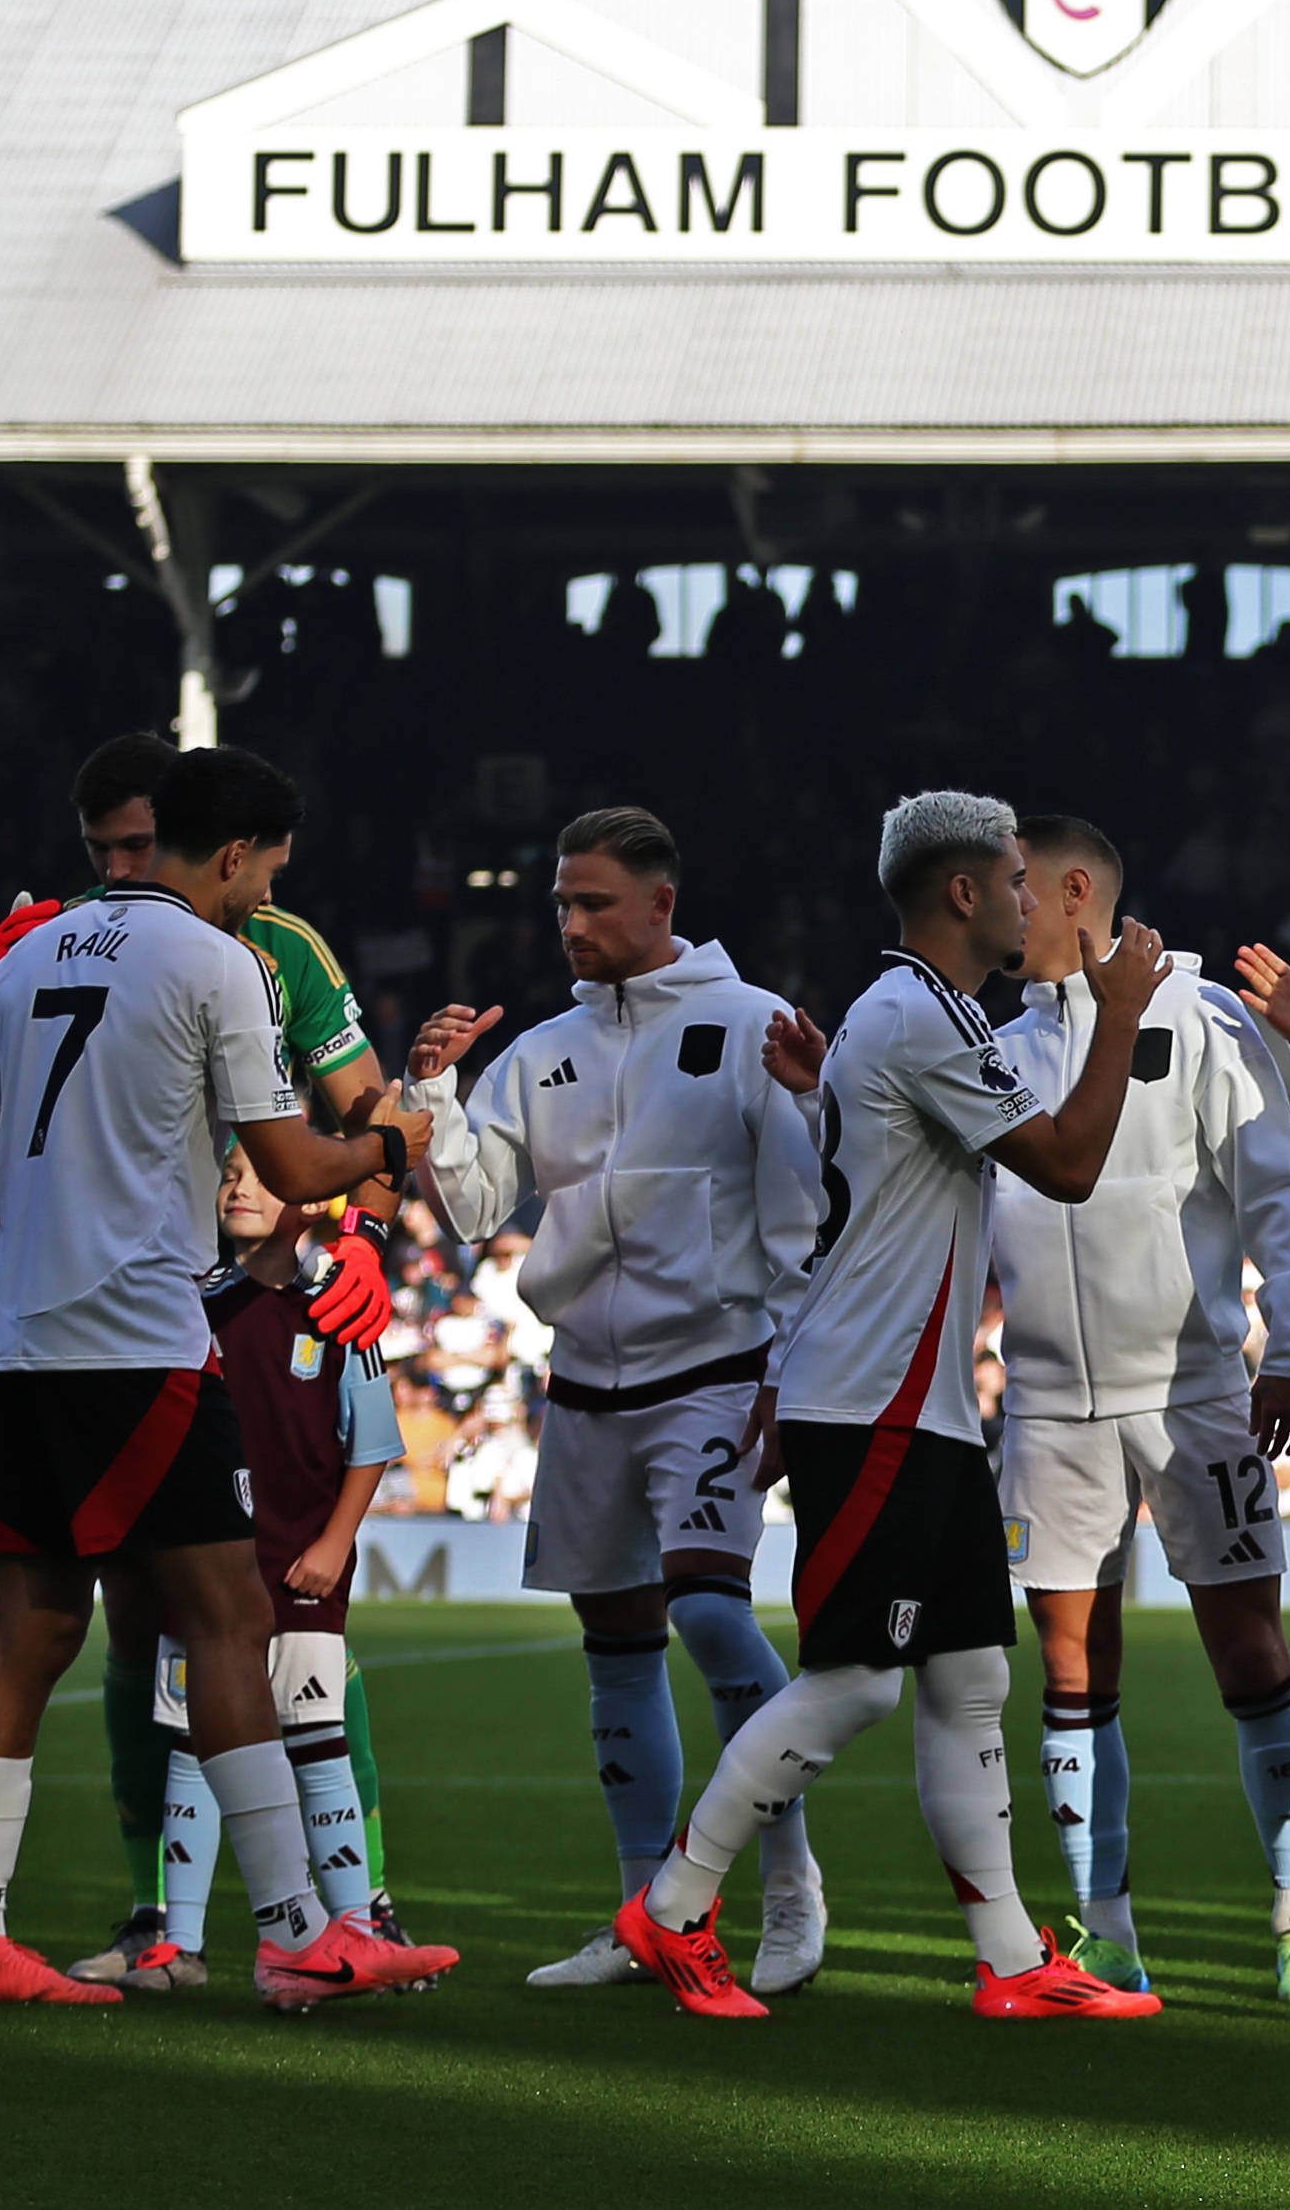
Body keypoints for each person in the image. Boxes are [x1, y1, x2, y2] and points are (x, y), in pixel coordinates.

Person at [0, 744, 448, 2008]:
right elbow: (301, 1168)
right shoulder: (219, 963)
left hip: (28, 1339)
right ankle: (295, 1929)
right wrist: (392, 1134)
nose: (266, 893)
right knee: (228, 1618)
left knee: (32, 1626)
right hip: (140, 1338)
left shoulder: (35, 951)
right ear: (232, 853)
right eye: (268, 869)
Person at [614, 791, 1168, 2023]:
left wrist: (830, 1093)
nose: (1033, 901)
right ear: (963, 893)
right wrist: (1119, 1012)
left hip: (918, 1408)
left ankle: (1016, 1962)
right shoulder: (914, 1013)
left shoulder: (913, 1016)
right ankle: (673, 1907)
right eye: (1017, 881)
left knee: (969, 1674)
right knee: (861, 1680)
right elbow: (1069, 1166)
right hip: (874, 1403)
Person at [401, 806, 835, 1995]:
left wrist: (791, 1373)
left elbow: (803, 1217)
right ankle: (647, 1913)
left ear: (661, 904)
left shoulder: (750, 1026)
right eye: (560, 903)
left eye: (593, 902)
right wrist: (433, 1094)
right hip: (586, 1379)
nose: (571, 923)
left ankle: (790, 1886)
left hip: (714, 1370)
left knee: (705, 1610)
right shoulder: (542, 1048)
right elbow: (480, 1205)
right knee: (617, 1644)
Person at [978, 813, 1290, 2008]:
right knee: (1072, 1669)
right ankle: (1106, 1930)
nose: (994, 907)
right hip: (1045, 1406)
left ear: (1073, 889)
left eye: (1013, 887)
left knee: (1251, 1651)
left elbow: (1276, 1189)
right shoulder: (994, 1039)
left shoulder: (1196, 1016)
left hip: (1194, 1395)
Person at [132, 1142, 448, 1990]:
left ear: (310, 1200)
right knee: (193, 1748)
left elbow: (373, 1443)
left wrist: (335, 1543)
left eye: (258, 1175)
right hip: (207, 1566)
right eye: (230, 1173)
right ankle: (178, 1944)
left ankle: (350, 1927)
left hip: (304, 1569)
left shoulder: (343, 1306)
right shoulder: (194, 1306)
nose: (235, 1184)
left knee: (320, 1745)